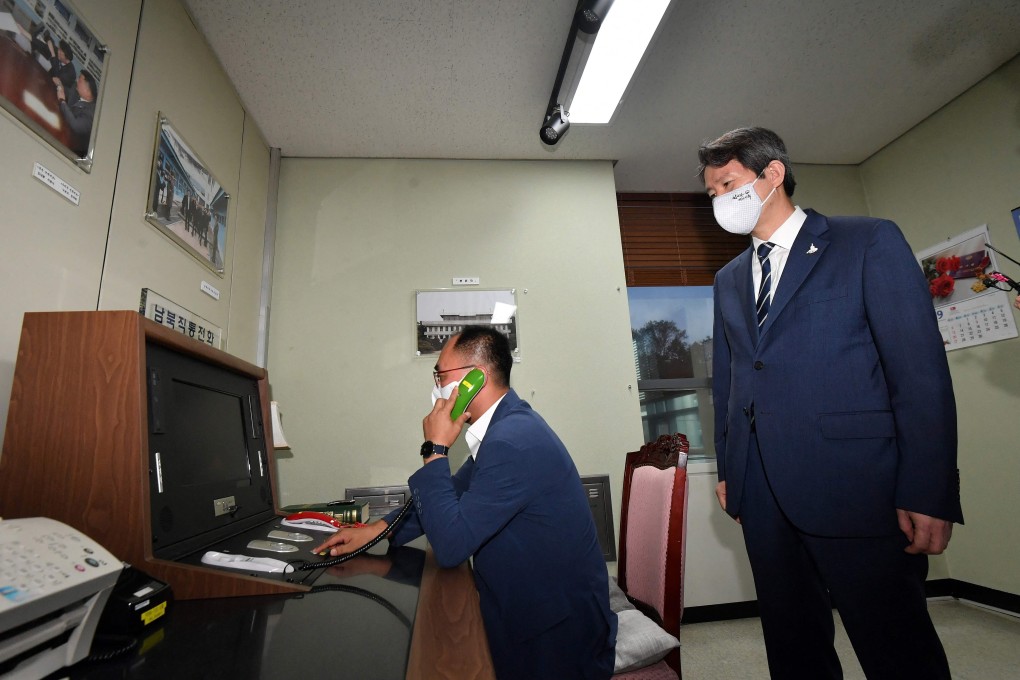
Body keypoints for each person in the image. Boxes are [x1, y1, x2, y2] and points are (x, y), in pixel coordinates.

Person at [698, 127, 963, 679]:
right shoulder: (727, 280)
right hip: (762, 493)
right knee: (793, 649)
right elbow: (729, 382)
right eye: (711, 193)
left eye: (728, 183)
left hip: (857, 485)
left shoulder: (865, 241)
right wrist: (731, 467)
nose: (720, 200)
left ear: (772, 174)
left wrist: (929, 488)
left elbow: (918, 374)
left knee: (896, 647)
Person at [314, 326, 617, 679]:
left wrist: (435, 450)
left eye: (440, 374)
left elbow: (452, 545)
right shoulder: (506, 426)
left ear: (475, 379)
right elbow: (453, 492)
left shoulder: (511, 441)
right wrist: (377, 530)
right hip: (541, 610)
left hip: (558, 641)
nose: (436, 385)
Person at [55, 70, 96, 156]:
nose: (77, 81)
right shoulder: (77, 90)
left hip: (71, 149)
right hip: (63, 129)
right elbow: (68, 92)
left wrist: (62, 101)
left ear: (87, 90)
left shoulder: (91, 114)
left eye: (80, 80)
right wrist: (60, 85)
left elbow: (75, 125)